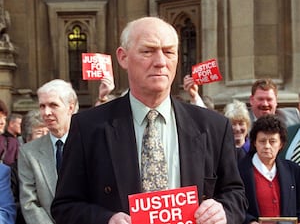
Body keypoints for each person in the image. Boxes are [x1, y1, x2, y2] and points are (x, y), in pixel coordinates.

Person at [51, 17, 247, 224]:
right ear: (123, 57)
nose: (161, 62)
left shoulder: (213, 126)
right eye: (148, 51)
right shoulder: (88, 127)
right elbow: (65, 206)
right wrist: (106, 220)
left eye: (169, 52)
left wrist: (223, 211)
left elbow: (235, 194)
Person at [18, 79, 78, 224]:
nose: (46, 112)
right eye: (42, 106)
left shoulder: (91, 144)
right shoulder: (28, 152)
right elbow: (30, 202)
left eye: (53, 105)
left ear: (70, 108)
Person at [238, 115, 300, 223]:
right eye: (262, 141)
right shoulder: (240, 171)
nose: (267, 146)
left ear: (281, 144)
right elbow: (234, 205)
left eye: (272, 141)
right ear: (254, 143)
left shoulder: (293, 170)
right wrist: (249, 221)